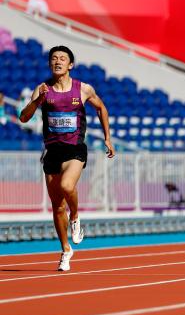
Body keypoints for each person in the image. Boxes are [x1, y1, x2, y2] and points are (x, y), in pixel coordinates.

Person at [19, 45, 114, 271]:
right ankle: (65, 250)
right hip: (52, 151)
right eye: (54, 58)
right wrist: (37, 101)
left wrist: (107, 138)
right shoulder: (42, 89)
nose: (58, 61)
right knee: (57, 207)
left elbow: (101, 108)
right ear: (49, 64)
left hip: (75, 149)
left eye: (62, 58)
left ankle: (76, 217)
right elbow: (23, 118)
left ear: (70, 65)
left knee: (67, 185)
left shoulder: (83, 89)